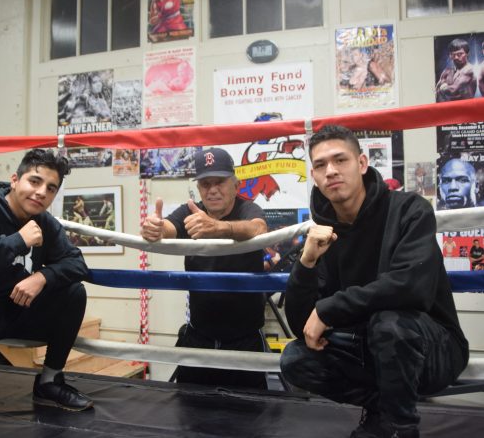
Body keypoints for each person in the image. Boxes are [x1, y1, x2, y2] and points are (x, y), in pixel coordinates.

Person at [280, 126, 468, 438]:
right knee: (295, 359)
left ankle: (401, 429)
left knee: (388, 323)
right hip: (366, 348)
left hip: (431, 347)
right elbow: (304, 326)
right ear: (314, 175)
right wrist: (307, 262)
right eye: (321, 165)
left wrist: (331, 308)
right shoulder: (323, 232)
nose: (331, 171)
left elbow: (411, 287)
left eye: (340, 160)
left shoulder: (409, 210)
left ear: (362, 163)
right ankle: (383, 412)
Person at [0, 149, 93, 421]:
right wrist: (16, 242)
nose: (41, 193)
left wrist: (42, 277)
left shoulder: (44, 222)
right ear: (15, 180)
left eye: (50, 188)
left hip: (16, 307)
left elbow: (77, 263)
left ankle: (49, 381)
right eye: (34, 181)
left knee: (73, 293)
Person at [141, 147, 269, 389]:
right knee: (190, 405)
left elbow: (259, 229)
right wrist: (156, 228)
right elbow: (169, 227)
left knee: (251, 408)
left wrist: (219, 228)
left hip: (244, 340)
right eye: (205, 184)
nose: (212, 190)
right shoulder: (191, 211)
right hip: (198, 336)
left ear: (236, 185)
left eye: (219, 182)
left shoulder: (247, 209)